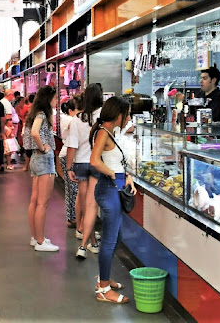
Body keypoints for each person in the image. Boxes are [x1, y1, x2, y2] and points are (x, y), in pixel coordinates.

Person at [88, 96, 136, 304]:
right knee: (108, 240)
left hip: (113, 186)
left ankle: (105, 279)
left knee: (114, 238)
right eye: (127, 114)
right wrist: (112, 175)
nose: (128, 119)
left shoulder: (109, 132)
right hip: (109, 189)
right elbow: (94, 161)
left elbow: (115, 161)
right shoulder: (103, 133)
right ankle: (104, 288)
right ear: (119, 115)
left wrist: (126, 176)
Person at [67, 83, 104, 259]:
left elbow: (71, 146)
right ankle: (91, 242)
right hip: (97, 164)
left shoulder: (77, 118)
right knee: (92, 205)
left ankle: (85, 234)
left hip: (81, 163)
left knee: (83, 201)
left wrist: (68, 167)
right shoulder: (105, 117)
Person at [22, 85, 58, 252]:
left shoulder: (34, 114)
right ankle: (41, 241)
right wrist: (44, 147)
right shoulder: (42, 115)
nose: (57, 101)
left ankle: (35, 237)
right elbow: (36, 133)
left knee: (35, 201)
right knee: (43, 203)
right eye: (55, 98)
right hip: (43, 158)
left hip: (36, 159)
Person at [59, 97, 79, 229]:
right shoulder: (69, 119)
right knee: (73, 189)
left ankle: (72, 217)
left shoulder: (69, 118)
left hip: (67, 154)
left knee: (71, 189)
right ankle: (73, 218)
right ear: (71, 110)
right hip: (68, 155)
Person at [0, 88, 14, 172]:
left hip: (4, 127)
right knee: (8, 146)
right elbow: (8, 117)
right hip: (6, 127)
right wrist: (10, 128)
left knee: (4, 145)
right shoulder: (6, 103)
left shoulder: (2, 102)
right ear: (9, 95)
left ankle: (4, 162)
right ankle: (8, 164)